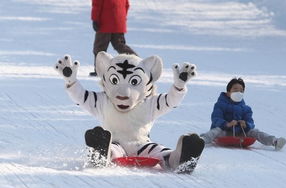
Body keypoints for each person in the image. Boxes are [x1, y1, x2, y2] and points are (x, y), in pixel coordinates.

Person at [55, 52, 204, 174]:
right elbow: (82, 97)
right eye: (115, 80)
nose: (123, 93)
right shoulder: (102, 101)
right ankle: (100, 152)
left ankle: (181, 158)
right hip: (115, 143)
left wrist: (178, 87)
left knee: (159, 151)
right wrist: (71, 82)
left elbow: (170, 101)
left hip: (142, 144)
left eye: (134, 82)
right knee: (111, 150)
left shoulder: (150, 103)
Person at [200, 78, 286, 150]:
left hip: (241, 132)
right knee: (215, 131)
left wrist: (246, 124)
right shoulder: (220, 105)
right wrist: (227, 124)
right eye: (235, 89)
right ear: (228, 92)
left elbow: (251, 122)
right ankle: (201, 141)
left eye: (241, 91)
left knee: (255, 132)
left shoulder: (246, 108)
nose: (238, 92)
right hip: (225, 131)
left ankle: (275, 141)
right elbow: (216, 118)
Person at [89, 0, 137, 76]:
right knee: (120, 45)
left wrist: (95, 19)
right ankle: (136, 61)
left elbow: (97, 4)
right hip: (119, 21)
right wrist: (120, 17)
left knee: (99, 48)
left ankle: (100, 70)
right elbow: (127, 5)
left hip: (105, 23)